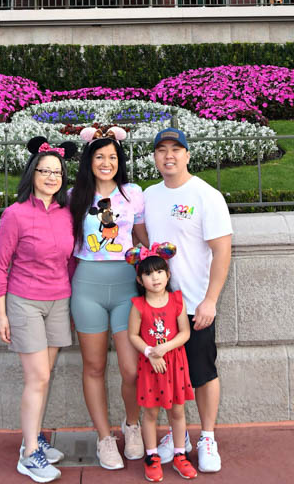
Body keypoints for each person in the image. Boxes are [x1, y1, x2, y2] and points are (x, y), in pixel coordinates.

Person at [134, 128, 232, 474]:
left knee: (202, 374)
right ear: (155, 157)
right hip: (159, 309)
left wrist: (210, 300)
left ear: (188, 155)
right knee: (164, 378)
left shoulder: (206, 195)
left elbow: (222, 250)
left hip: (194, 305)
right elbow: (141, 232)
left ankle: (206, 437)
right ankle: (180, 440)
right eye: (162, 150)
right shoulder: (150, 195)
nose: (169, 156)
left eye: (176, 149)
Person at [0, 136, 78, 483]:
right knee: (37, 377)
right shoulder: (15, 214)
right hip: (25, 301)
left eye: (57, 172)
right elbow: (0, 266)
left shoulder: (66, 212)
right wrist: (2, 313)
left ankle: (35, 437)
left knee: (45, 376)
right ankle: (29, 454)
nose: (51, 177)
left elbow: (71, 260)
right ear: (33, 173)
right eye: (45, 171)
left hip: (59, 301)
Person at [69, 126, 147, 470]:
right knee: (95, 366)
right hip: (87, 286)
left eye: (112, 157)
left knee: (131, 369)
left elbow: (144, 241)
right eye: (99, 156)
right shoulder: (74, 195)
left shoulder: (133, 194)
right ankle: (104, 438)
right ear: (89, 159)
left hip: (126, 287)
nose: (106, 162)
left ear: (120, 161)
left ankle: (132, 425)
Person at [126, 243, 197, 482]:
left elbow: (184, 333)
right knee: (150, 412)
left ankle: (179, 455)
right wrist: (149, 352)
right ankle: (152, 456)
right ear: (139, 279)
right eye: (147, 273)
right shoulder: (139, 306)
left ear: (167, 274)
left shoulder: (177, 300)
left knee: (177, 411)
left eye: (158, 272)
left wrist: (163, 349)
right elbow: (133, 335)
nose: (154, 278)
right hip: (150, 366)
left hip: (174, 363)